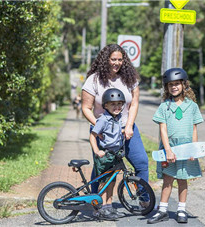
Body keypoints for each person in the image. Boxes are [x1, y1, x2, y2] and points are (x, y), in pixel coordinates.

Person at [81, 44, 149, 208]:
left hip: (126, 128)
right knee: (102, 167)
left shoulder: (129, 78)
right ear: (106, 60)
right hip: (102, 130)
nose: (117, 63)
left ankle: (144, 199)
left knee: (141, 162)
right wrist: (99, 126)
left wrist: (130, 125)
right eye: (113, 59)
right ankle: (96, 202)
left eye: (120, 59)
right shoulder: (94, 80)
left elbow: (134, 103)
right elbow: (85, 107)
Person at [147, 68, 204, 224]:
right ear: (167, 87)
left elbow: (194, 129)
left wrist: (193, 149)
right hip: (170, 148)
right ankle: (163, 210)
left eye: (177, 84)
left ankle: (181, 209)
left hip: (186, 147)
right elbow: (163, 129)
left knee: (183, 179)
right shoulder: (164, 106)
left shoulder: (192, 106)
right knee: (168, 179)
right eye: (170, 85)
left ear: (184, 85)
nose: (174, 87)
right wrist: (168, 150)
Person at [90, 88, 125, 221]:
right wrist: (96, 151)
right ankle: (102, 207)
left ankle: (109, 206)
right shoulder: (103, 120)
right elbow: (92, 136)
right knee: (104, 182)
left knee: (112, 181)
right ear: (105, 105)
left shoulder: (117, 118)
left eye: (119, 104)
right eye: (113, 104)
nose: (117, 107)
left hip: (115, 154)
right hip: (105, 155)